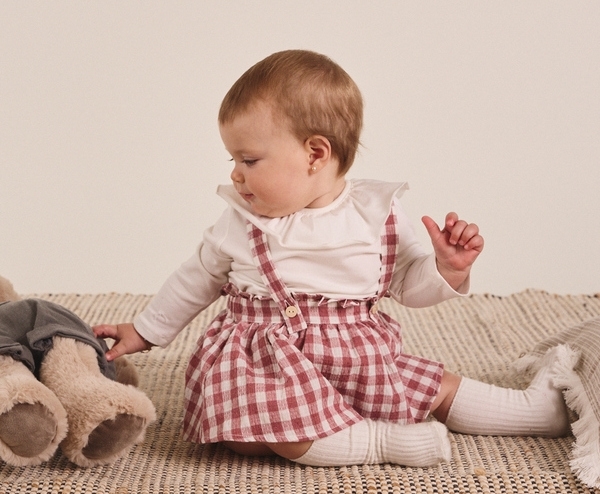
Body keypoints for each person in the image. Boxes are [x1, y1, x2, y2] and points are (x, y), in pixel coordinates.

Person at [93, 50, 570, 468]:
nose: (236, 176)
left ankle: (535, 412)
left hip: (355, 354)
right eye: (232, 161)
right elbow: (194, 278)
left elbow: (408, 285)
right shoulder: (242, 221)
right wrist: (145, 331)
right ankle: (379, 443)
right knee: (262, 436)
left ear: (315, 153)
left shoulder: (377, 214)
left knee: (428, 384)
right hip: (265, 360)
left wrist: (447, 268)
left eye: (249, 160)